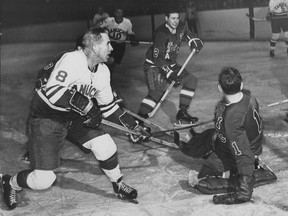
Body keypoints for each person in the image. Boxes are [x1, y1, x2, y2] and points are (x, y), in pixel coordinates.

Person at [0, 27, 151, 210]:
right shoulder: (72, 59)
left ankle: (118, 184)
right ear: (94, 47)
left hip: (75, 118)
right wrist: (88, 107)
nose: (112, 48)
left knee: (106, 145)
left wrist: (132, 125)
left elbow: (109, 107)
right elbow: (53, 93)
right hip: (48, 119)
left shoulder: (103, 72)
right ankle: (11, 182)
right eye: (107, 44)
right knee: (43, 181)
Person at [174, 67, 277, 205]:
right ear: (241, 85)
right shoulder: (249, 97)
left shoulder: (232, 122)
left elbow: (243, 155)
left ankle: (249, 172)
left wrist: (243, 192)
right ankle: (193, 145)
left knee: (204, 175)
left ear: (219, 88)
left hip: (241, 152)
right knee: (209, 136)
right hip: (240, 140)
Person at [137, 9, 203, 125]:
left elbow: (188, 34)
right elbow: (158, 59)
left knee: (191, 81)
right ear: (166, 18)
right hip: (154, 66)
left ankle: (182, 114)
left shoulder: (181, 26)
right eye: (173, 18)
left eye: (177, 18)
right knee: (157, 92)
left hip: (170, 64)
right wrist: (169, 74)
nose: (176, 21)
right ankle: (139, 120)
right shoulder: (161, 33)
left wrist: (195, 41)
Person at [96, 7, 138, 72]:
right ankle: (106, 73)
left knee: (116, 62)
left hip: (121, 45)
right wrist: (100, 33)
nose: (119, 15)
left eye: (121, 13)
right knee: (111, 60)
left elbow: (130, 32)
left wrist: (133, 38)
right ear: (114, 13)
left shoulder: (127, 22)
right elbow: (98, 26)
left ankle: (107, 70)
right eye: (118, 13)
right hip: (111, 43)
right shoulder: (109, 20)